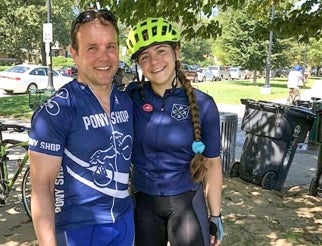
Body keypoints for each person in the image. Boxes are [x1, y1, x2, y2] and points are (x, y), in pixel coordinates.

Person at [28, 9, 134, 246]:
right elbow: (42, 187)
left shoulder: (126, 102)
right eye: (92, 48)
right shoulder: (57, 110)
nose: (104, 57)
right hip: (79, 230)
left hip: (124, 220)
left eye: (110, 46)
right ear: (74, 53)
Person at [125, 17, 223, 246]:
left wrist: (215, 215)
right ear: (139, 64)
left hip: (187, 202)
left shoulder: (203, 103)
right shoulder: (130, 98)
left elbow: (213, 163)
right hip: (143, 203)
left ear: (176, 52)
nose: (154, 61)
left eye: (161, 51)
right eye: (144, 56)